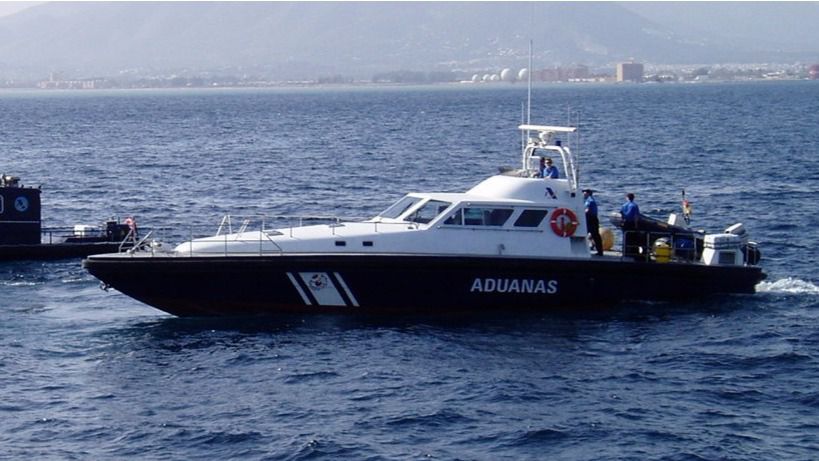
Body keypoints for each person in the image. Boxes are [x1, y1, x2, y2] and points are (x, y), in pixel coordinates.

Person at [620, 193, 642, 259]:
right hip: (632, 223)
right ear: (633, 198)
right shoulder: (634, 205)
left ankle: (625, 252)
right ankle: (633, 253)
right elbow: (636, 216)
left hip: (625, 223)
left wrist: (622, 223)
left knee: (626, 238)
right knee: (633, 239)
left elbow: (621, 215)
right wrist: (636, 225)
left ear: (627, 198)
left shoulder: (624, 205)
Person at [583, 189, 604, 256]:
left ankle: (598, 251)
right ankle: (598, 250)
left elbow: (587, 210)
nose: (583, 194)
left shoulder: (589, 201)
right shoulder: (588, 200)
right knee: (594, 235)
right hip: (591, 219)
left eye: (584, 193)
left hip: (591, 219)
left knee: (594, 235)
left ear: (588, 193)